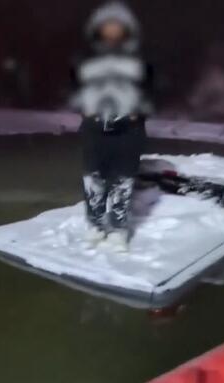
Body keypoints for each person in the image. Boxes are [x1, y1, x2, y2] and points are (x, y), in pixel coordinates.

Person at [71, 2, 152, 252]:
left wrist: (139, 111)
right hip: (95, 130)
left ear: (127, 28)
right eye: (107, 25)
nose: (112, 30)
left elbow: (151, 89)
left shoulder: (139, 56)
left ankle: (117, 230)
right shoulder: (87, 56)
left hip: (128, 132)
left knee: (122, 180)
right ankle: (95, 225)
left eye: (117, 25)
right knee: (93, 179)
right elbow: (76, 86)